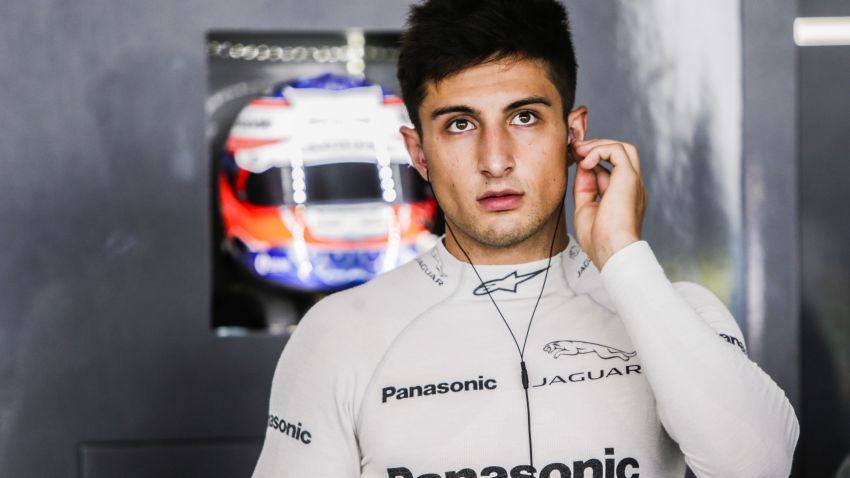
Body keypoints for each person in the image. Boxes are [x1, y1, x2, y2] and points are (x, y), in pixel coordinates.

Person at [252, 0, 799, 476]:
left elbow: (758, 467)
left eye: (524, 117)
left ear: (574, 134)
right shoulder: (337, 335)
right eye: (460, 125)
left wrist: (622, 256)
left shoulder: (676, 309)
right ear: (419, 153)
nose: (495, 161)